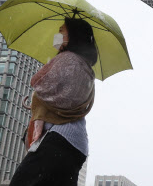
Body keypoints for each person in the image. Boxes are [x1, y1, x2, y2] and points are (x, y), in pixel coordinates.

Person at [10, 18, 97, 186]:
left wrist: (37, 100)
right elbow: (63, 99)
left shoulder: (68, 59)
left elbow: (40, 85)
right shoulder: (86, 68)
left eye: (62, 31)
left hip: (60, 138)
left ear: (72, 35)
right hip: (76, 144)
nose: (58, 35)